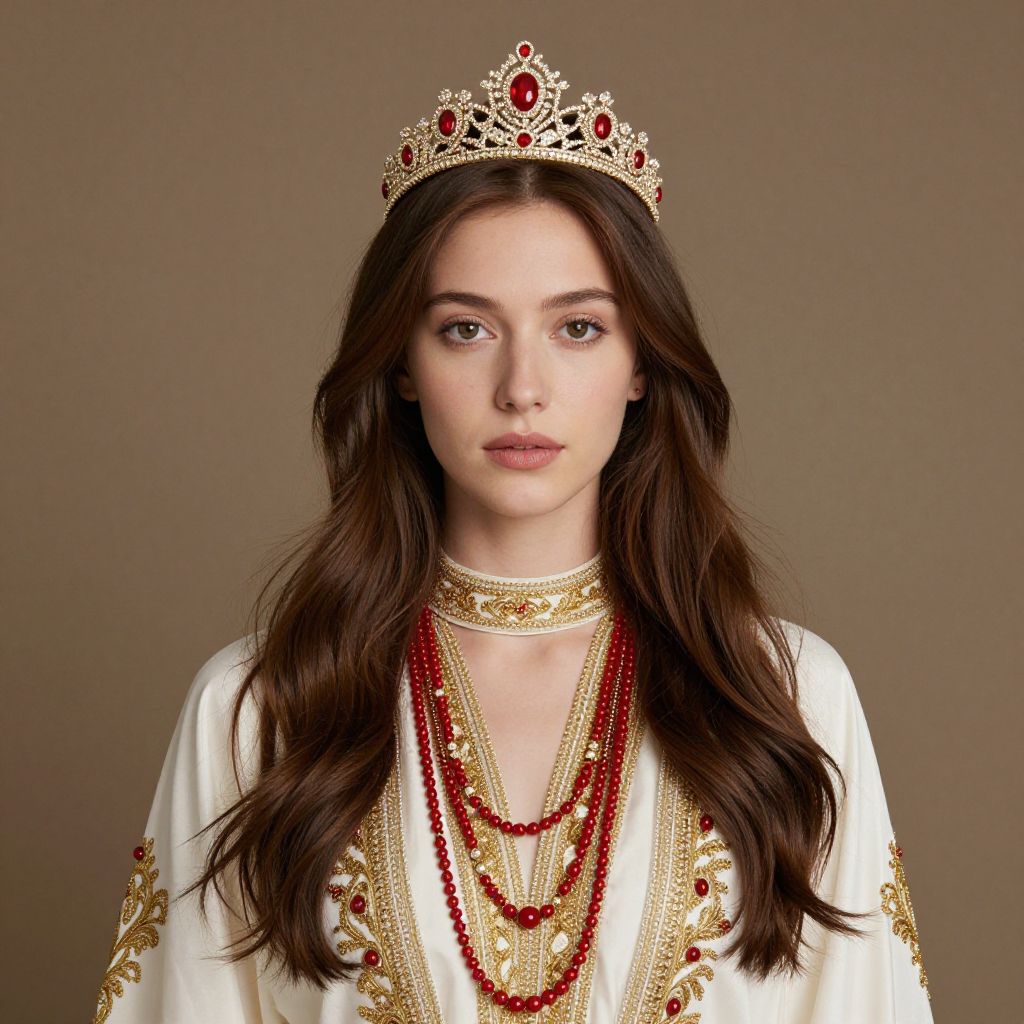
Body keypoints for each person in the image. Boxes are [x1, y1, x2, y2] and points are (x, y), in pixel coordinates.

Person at [91, 39, 934, 1024]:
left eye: (577, 327)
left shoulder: (783, 700)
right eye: (466, 328)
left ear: (641, 364)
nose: (521, 388)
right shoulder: (258, 713)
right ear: (400, 362)